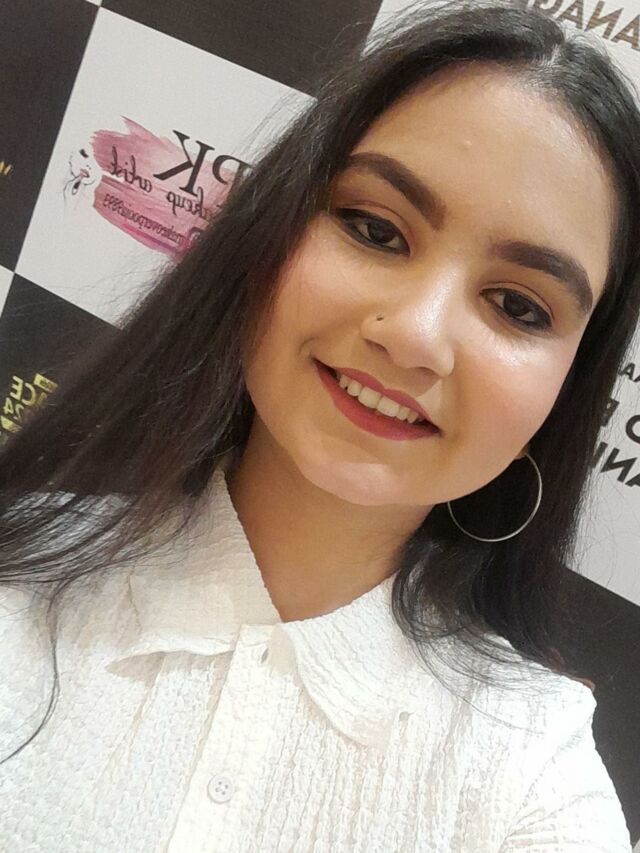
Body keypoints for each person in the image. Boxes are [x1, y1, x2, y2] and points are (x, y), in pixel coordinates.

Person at [0, 0, 636, 849]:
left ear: (565, 388)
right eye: (375, 229)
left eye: (519, 306)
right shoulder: (20, 577)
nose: (415, 335)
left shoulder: (532, 769)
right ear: (267, 235)